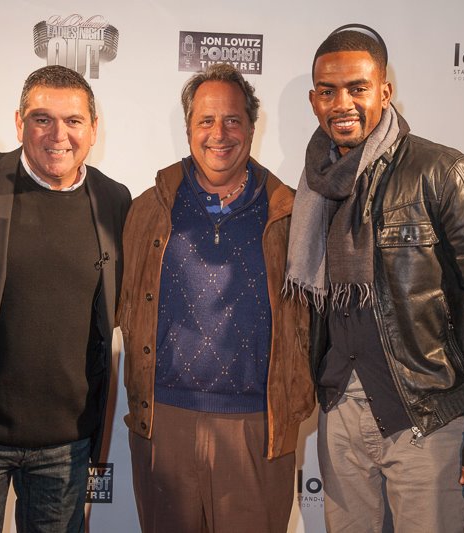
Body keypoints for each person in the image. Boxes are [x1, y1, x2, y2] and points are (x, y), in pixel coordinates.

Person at [285, 27, 464, 532]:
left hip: (428, 415)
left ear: (385, 91)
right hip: (339, 413)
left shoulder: (444, 171)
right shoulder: (315, 185)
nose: (343, 103)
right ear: (314, 100)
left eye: (358, 87)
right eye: (328, 91)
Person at [118, 63, 315, 533]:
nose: (219, 134)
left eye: (232, 120)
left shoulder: (292, 212)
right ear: (188, 129)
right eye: (206, 121)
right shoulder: (149, 208)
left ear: (251, 127)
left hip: (257, 428)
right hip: (164, 423)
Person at [0, 65, 131, 533]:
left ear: (93, 128)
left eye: (73, 121)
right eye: (41, 119)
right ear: (18, 123)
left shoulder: (114, 200)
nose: (58, 135)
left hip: (66, 444)